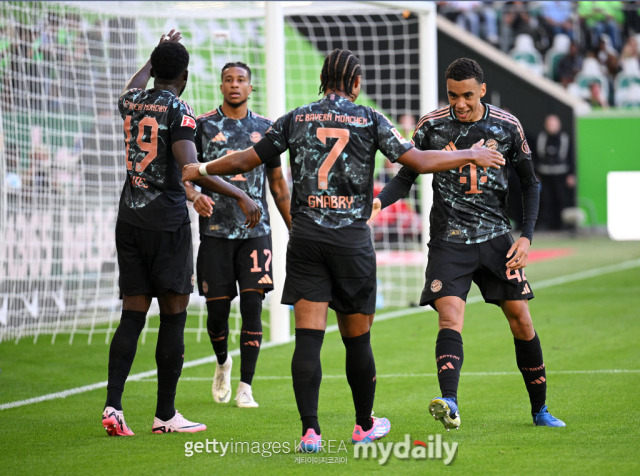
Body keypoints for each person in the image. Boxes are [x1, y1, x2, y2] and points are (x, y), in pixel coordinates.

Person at [183, 49, 505, 451]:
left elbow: (248, 159)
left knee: (308, 339)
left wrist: (204, 169)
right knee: (357, 340)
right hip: (351, 242)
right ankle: (363, 425)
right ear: (354, 83)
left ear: (323, 79)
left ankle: (310, 433)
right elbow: (418, 162)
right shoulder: (369, 118)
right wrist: (471, 153)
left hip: (306, 240)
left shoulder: (296, 117)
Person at [370, 58, 565, 429]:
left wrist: (526, 236)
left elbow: (530, 183)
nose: (460, 103)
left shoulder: (507, 126)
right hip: (449, 241)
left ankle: (540, 410)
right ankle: (450, 402)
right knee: (450, 318)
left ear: (482, 91)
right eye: (453, 95)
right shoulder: (431, 126)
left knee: (521, 320)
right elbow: (406, 176)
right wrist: (381, 200)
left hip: (497, 240)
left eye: (468, 96)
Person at [102, 30, 261, 437]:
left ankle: (114, 407)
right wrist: (239, 193)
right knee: (173, 317)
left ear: (155, 68)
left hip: (129, 219)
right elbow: (192, 170)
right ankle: (165, 415)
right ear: (185, 75)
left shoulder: (132, 101)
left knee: (132, 315)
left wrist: (153, 56)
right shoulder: (180, 111)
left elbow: (133, 85)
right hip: (167, 223)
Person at [190, 62, 291, 409]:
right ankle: (222, 363)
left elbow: (278, 183)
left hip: (255, 233)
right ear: (221, 86)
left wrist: (295, 229)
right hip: (215, 234)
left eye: (241, 80)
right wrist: (194, 195)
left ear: (251, 88)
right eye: (229, 80)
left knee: (253, 305)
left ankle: (245, 386)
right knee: (217, 314)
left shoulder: (266, 128)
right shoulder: (203, 126)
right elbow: (188, 173)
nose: (235, 85)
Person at [534, 114, 575, 231]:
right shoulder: (540, 138)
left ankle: (563, 225)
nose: (551, 126)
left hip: (561, 176)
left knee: (562, 200)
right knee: (545, 201)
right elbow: (535, 158)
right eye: (549, 124)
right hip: (544, 176)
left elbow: (571, 158)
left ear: (559, 125)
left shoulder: (565, 139)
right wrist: (535, 174)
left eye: (554, 124)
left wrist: (571, 175)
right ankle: (545, 225)